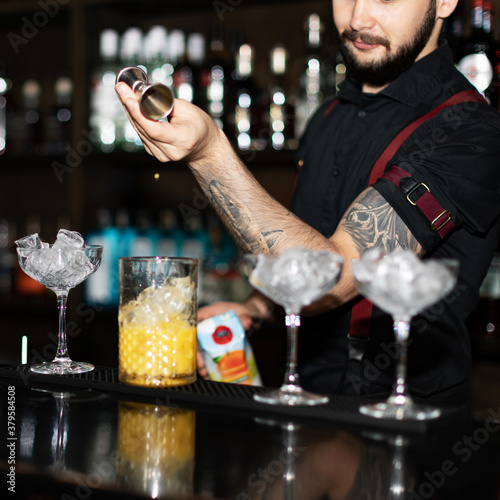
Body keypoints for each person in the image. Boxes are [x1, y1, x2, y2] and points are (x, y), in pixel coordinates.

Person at [115, 0, 500, 399]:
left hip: (401, 423)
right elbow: (303, 250)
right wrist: (256, 309)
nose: (357, 19)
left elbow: (334, 276)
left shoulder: (470, 132)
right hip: (303, 403)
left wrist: (209, 151)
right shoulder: (327, 116)